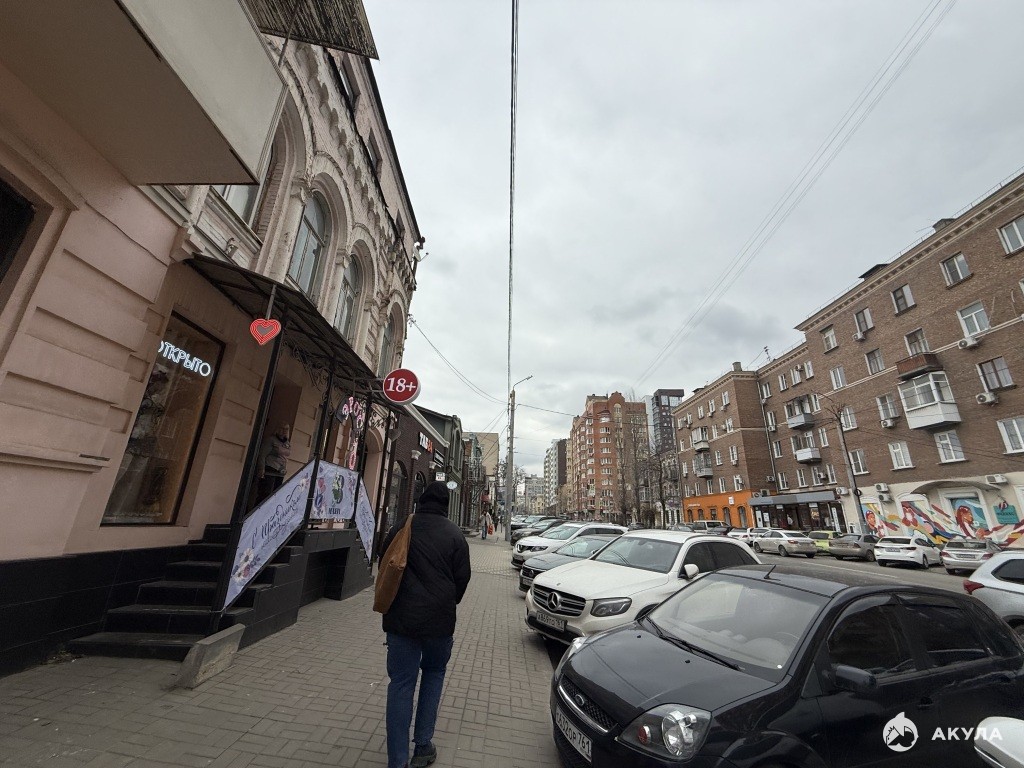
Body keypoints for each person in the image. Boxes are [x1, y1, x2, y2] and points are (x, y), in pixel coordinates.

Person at [381, 481, 471, 768]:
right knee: (433, 675)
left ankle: (397, 761)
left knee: (401, 684)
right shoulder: (455, 535)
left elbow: (384, 560)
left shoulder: (402, 527)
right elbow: (462, 580)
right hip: (439, 624)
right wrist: (446, 601)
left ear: (421, 500)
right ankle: (422, 746)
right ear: (445, 505)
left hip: (400, 622)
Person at [256, 423, 290, 502]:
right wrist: (261, 469)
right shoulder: (271, 440)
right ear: (278, 429)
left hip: (280, 473)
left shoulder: (287, 443)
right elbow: (262, 455)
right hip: (270, 471)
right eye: (282, 428)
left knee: (275, 497)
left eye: (287, 429)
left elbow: (285, 457)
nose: (285, 431)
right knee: (265, 496)